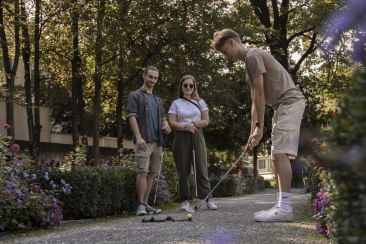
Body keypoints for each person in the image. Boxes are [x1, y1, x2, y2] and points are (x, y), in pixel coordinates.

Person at [212, 29, 305, 222]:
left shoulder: (253, 56)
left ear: (231, 42)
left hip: (289, 103)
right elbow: (255, 100)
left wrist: (260, 126)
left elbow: (261, 94)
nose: (225, 57)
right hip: (281, 107)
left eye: (223, 51)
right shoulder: (249, 62)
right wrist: (253, 132)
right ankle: (281, 205)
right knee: (276, 155)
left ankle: (285, 208)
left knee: (281, 153)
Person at [168, 75, 217, 211]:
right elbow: (172, 122)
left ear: (194, 87)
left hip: (197, 134)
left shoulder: (200, 102)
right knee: (183, 169)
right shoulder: (176, 103)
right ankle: (185, 200)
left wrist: (193, 123)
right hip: (181, 136)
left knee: (201, 168)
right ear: (181, 87)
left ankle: (208, 199)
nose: (188, 87)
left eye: (191, 85)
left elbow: (206, 121)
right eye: (185, 85)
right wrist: (186, 127)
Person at [127, 66, 171, 216]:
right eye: (150, 77)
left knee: (151, 174)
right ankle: (140, 205)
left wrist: (166, 126)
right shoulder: (134, 95)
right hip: (143, 140)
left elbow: (163, 118)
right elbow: (132, 116)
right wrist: (138, 137)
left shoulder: (158, 100)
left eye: (155, 78)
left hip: (157, 141)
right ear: (144, 76)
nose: (153, 80)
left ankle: (146, 204)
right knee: (142, 172)